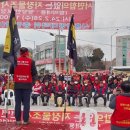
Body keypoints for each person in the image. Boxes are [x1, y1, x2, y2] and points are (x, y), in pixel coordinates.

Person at [10, 47, 37, 125]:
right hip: (27, 85)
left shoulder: (15, 61)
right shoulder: (31, 61)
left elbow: (11, 71)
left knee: (17, 103)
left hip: (17, 85)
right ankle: (25, 120)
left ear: (20, 52)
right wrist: (32, 83)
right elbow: (34, 73)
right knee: (26, 103)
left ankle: (18, 120)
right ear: (27, 52)